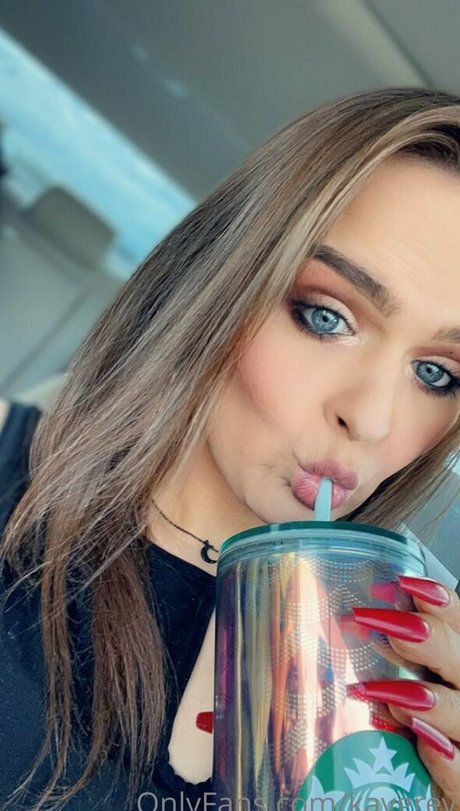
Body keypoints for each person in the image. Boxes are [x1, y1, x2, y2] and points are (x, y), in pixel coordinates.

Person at [1, 86, 460, 810]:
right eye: (326, 316)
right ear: (222, 278)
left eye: (436, 374)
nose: (371, 419)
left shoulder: (411, 663)